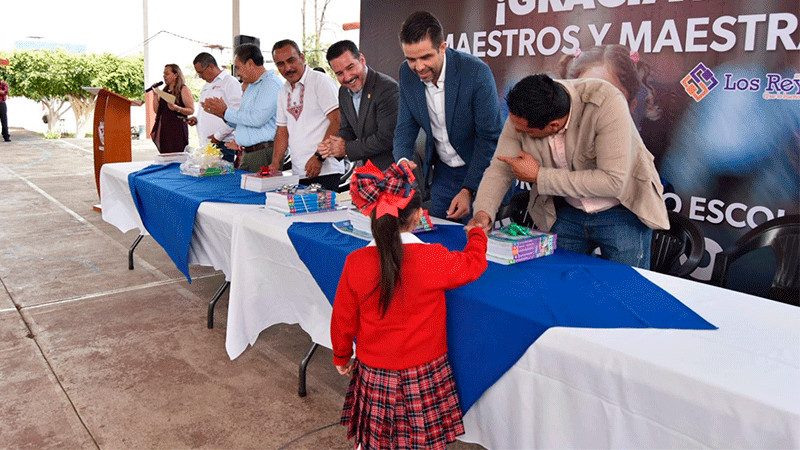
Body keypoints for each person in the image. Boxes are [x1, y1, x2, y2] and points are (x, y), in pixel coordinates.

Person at [331, 161, 488, 449]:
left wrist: (342, 356)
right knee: (422, 440)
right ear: (417, 216)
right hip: (425, 371)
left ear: (372, 215)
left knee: (376, 439)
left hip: (374, 370)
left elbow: (343, 318)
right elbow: (473, 264)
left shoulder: (355, 263)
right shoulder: (433, 258)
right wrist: (477, 234)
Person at [468, 74, 669, 269]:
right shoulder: (523, 114)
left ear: (553, 126)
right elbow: (501, 168)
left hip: (622, 212)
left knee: (625, 286)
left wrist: (539, 176)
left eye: (526, 132)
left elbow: (613, 181)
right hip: (565, 212)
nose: (517, 131)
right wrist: (484, 212)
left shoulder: (606, 102)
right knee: (557, 283)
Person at [393, 11, 502, 221]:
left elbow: (489, 138)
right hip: (443, 173)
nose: (419, 67)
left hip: (481, 170)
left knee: (474, 237)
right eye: (411, 59)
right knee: (438, 234)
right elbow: (405, 127)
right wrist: (403, 160)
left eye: (426, 57)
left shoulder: (476, 72)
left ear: (443, 47)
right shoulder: (406, 73)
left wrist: (469, 189)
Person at [268, 39, 343, 191]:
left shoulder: (320, 81)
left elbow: (337, 120)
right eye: (281, 64)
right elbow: (282, 131)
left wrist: (319, 157)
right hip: (299, 172)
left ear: (302, 58)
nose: (287, 68)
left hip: (326, 170)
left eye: (291, 60)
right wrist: (275, 163)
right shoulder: (283, 92)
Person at [318, 40, 398, 171]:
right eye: (339, 73)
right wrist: (333, 145)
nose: (347, 77)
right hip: (367, 171)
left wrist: (346, 148)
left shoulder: (387, 88)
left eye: (350, 68)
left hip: (394, 171)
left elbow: (386, 138)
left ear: (362, 60)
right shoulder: (343, 91)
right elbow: (347, 128)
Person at [203, 44, 283, 172]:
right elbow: (245, 121)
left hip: (262, 152)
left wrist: (225, 112)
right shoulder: (252, 86)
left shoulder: (270, 83)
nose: (238, 73)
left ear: (250, 64)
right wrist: (222, 115)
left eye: (238, 68)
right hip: (250, 152)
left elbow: (257, 119)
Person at [186, 52, 242, 164]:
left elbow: (236, 115)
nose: (200, 76)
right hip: (207, 144)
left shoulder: (230, 82)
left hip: (223, 144)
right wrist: (197, 118)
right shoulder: (207, 85)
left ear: (211, 66)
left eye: (201, 72)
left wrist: (218, 136)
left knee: (221, 175)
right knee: (207, 174)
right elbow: (205, 110)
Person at [150, 64, 194, 153]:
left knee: (177, 154)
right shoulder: (164, 91)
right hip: (165, 129)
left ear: (175, 75)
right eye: (163, 74)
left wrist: (177, 108)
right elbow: (157, 111)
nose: (164, 76)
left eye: (167, 74)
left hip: (177, 129)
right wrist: (155, 95)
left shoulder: (183, 89)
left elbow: (191, 110)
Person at [0, 77, 10, 142]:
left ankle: (6, 136)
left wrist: (1, 92)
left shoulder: (3, 84)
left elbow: (6, 92)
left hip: (1, 103)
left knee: (4, 120)